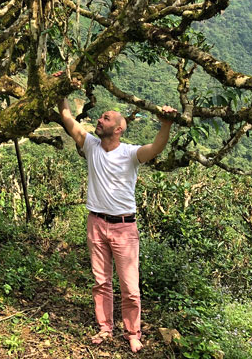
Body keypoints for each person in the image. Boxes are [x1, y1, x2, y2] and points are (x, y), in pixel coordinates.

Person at [57, 96, 176, 354]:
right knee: (101, 282)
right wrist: (62, 92)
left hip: (124, 227)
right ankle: (105, 327)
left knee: (130, 288)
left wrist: (165, 124)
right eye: (100, 117)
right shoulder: (90, 145)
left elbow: (156, 148)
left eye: (106, 118)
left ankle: (133, 333)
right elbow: (67, 119)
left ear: (119, 128)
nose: (99, 120)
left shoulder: (130, 153)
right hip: (96, 222)